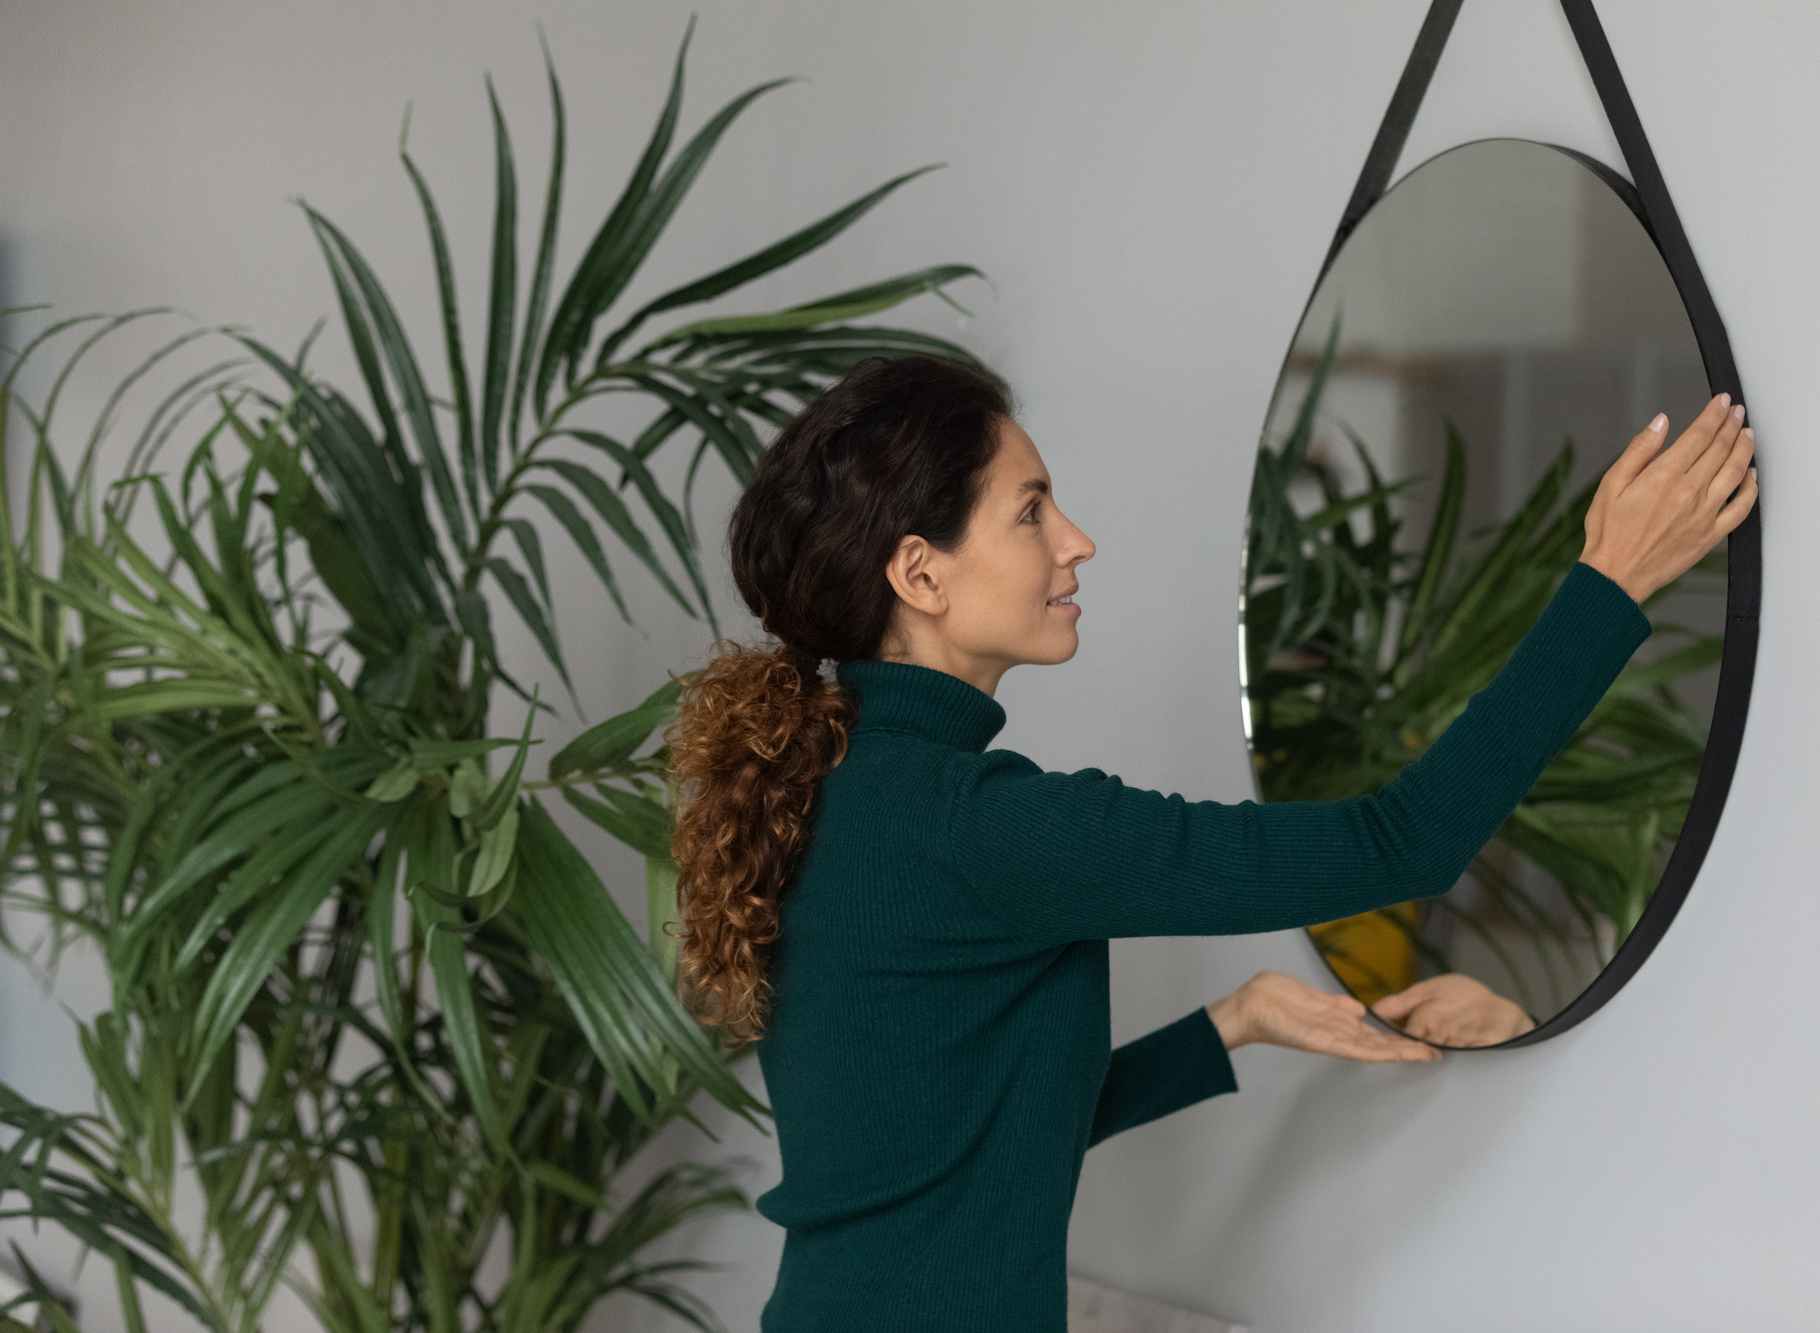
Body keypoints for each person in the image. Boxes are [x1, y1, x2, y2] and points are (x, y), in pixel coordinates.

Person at [666, 356, 1757, 1332]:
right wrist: (1608, 587)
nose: (1074, 541)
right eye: (1030, 511)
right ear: (920, 573)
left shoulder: (833, 786)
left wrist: (1232, 1023)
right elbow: (1402, 843)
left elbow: (965, 1148)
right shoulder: (983, 822)